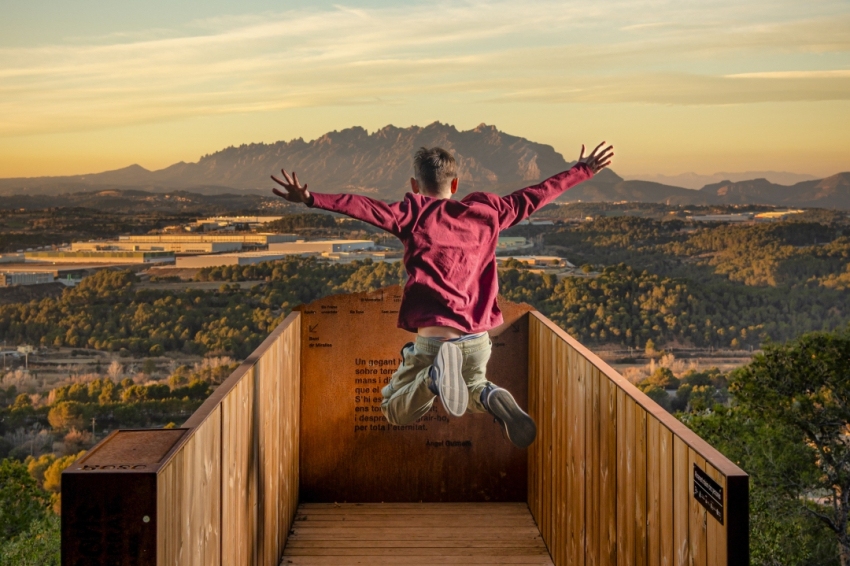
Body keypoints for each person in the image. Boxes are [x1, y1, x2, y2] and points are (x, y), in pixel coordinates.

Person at [272, 142, 613, 448]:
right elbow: (537, 194)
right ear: (455, 185)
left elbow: (363, 206)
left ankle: (433, 379)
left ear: (415, 186)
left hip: (434, 343)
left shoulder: (413, 213)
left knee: (393, 408)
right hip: (478, 340)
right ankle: (490, 394)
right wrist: (582, 170)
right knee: (474, 385)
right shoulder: (488, 213)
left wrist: (311, 198)